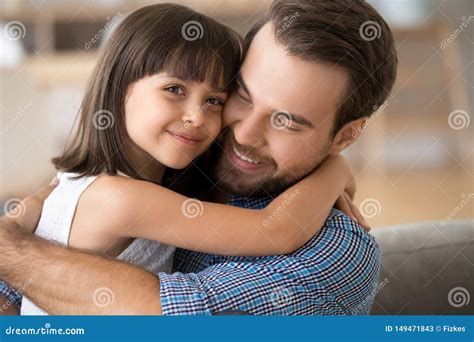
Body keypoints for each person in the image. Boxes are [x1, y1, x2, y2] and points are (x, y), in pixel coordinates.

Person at [0, 0, 397, 315]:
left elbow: (171, 319)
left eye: (286, 122)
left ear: (345, 135)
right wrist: (335, 171)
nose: (242, 133)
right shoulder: (168, 169)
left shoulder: (334, 252)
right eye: (241, 95)